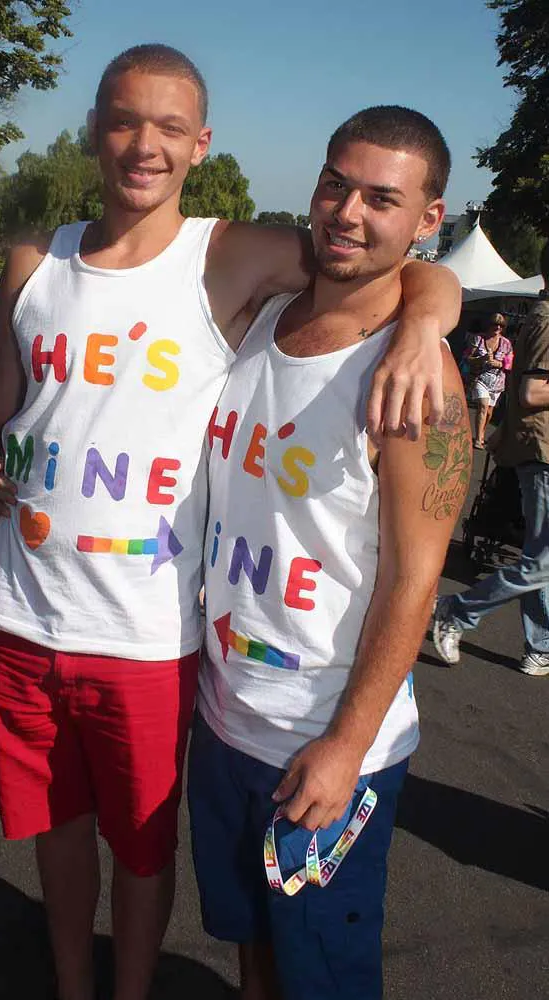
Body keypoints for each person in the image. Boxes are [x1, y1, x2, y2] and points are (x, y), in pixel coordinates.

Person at [0, 46, 461, 1000]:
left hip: (195, 664)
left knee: (268, 930)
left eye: (170, 127)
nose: (145, 145)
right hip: (163, 675)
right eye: (124, 120)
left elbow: (385, 269)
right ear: (93, 129)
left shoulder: (252, 272)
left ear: (201, 143)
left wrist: (431, 316)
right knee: (229, 924)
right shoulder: (222, 313)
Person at [189, 105, 470, 1000]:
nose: (346, 213)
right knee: (248, 940)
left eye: (381, 199)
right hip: (223, 717)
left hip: (323, 742)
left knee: (323, 976)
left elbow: (414, 580)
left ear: (427, 219)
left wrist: (346, 745)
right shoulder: (261, 318)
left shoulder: (418, 382)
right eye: (334, 185)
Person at [433, 242, 549, 677]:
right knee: (542, 562)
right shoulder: (547, 320)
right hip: (542, 452)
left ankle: (540, 645)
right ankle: (458, 610)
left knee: (540, 558)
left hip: (536, 449)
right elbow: (533, 392)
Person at [466, 312, 513, 448]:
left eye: (501, 325)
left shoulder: (506, 344)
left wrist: (498, 363)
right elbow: (468, 358)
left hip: (497, 382)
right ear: (489, 325)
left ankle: (482, 432)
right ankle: (478, 439)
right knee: (483, 405)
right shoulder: (478, 339)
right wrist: (481, 359)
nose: (497, 327)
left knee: (488, 411)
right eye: (495, 324)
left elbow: (509, 364)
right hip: (480, 378)